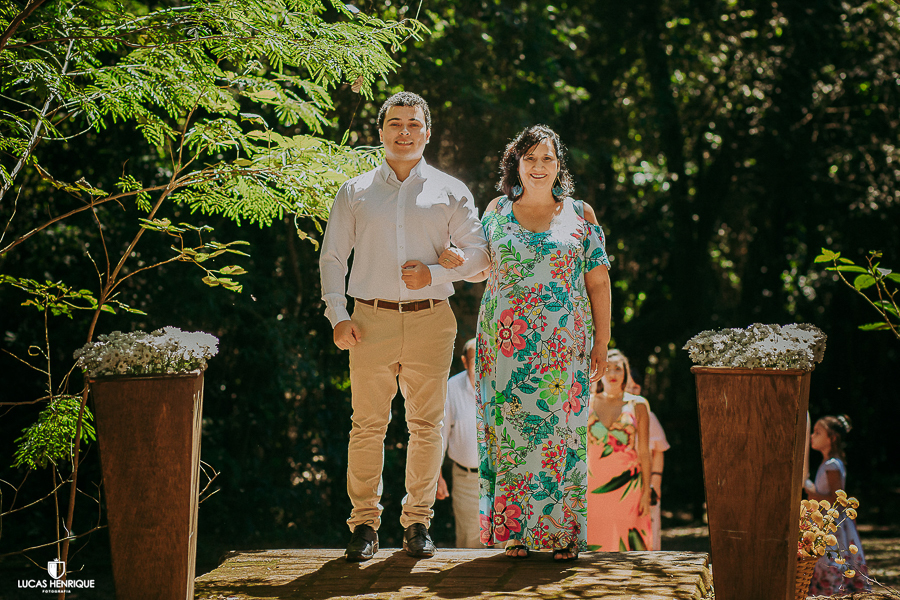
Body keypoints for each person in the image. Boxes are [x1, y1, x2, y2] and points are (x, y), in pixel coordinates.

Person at [319, 91, 490, 561]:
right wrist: (338, 315)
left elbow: (481, 259)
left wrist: (437, 271)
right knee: (366, 426)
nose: (404, 132)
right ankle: (364, 525)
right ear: (380, 131)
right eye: (395, 123)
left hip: (431, 320)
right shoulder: (355, 191)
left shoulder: (450, 190)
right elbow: (332, 257)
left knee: (427, 426)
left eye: (414, 124)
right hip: (368, 320)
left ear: (427, 133)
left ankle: (418, 523)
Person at [442, 125, 611, 561]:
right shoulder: (496, 210)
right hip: (504, 348)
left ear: (559, 164)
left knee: (561, 437)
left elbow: (598, 282)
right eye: (530, 157)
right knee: (511, 436)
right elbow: (479, 267)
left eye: (547, 158)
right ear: (515, 163)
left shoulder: (581, 214)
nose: (539, 166)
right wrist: (453, 260)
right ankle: (516, 530)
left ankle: (564, 533)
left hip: (563, 348)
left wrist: (602, 341)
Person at [586, 349, 652, 551]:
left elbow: (644, 452)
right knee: (594, 541)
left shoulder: (638, 405)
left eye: (618, 369)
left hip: (628, 486)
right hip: (592, 485)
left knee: (628, 544)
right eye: (607, 368)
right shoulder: (586, 402)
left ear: (626, 373)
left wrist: (646, 492)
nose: (612, 374)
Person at [805, 414, 870, 595]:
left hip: (833, 525)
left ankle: (833, 591)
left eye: (818, 432)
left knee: (832, 559)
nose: (812, 436)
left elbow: (836, 499)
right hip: (827, 521)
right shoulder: (828, 463)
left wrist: (811, 492)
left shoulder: (832, 464)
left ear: (832, 438)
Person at [435, 338, 482, 548]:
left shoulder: (503, 385)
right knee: (470, 540)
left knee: (506, 542)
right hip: (466, 480)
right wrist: (437, 477)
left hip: (501, 478)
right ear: (464, 361)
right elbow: (440, 435)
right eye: (474, 361)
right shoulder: (451, 388)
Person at [627, 377, 669, 551]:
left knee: (648, 529)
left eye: (633, 387)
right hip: (624, 481)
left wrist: (655, 483)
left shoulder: (648, 416)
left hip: (646, 481)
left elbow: (659, 450)